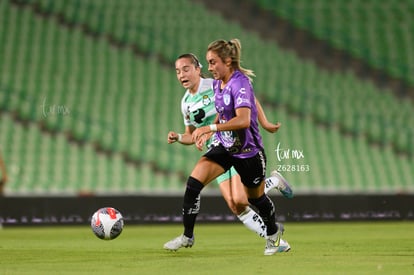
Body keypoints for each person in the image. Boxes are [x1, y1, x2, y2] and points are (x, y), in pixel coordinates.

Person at [164, 39, 290, 256]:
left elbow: (244, 113)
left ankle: (274, 233)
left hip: (246, 149)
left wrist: (265, 123)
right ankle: (187, 236)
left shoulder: (235, 83)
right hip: (223, 145)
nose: (182, 74)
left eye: (212, 63)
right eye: (177, 71)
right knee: (194, 184)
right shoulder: (204, 91)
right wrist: (190, 136)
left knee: (247, 200)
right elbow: (199, 129)